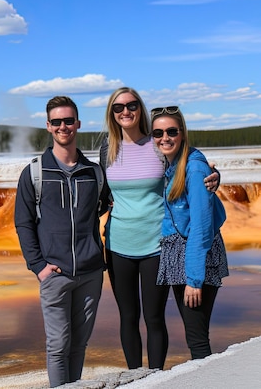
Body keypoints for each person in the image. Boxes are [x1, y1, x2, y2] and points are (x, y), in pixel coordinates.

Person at [100, 87, 219, 370]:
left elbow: (190, 159)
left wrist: (216, 176)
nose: (125, 111)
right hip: (117, 244)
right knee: (128, 317)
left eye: (131, 105)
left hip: (156, 245)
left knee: (154, 318)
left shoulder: (156, 143)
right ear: (111, 113)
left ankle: (155, 377)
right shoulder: (108, 148)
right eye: (118, 107)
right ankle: (133, 378)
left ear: (140, 108)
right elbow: (102, 193)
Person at [14, 96, 109, 387]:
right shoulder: (34, 173)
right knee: (58, 345)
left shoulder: (93, 173)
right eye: (57, 122)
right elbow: (23, 223)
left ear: (78, 124)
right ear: (48, 126)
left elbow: (110, 206)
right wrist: (38, 266)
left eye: (68, 121)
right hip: (54, 273)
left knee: (79, 344)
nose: (63, 127)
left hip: (91, 273)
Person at [152, 106, 228, 360]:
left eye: (172, 131)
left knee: (196, 336)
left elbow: (202, 226)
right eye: (158, 132)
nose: (165, 137)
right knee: (195, 332)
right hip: (179, 253)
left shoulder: (194, 170)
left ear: (182, 133)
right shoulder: (175, 164)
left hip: (194, 257)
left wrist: (194, 280)